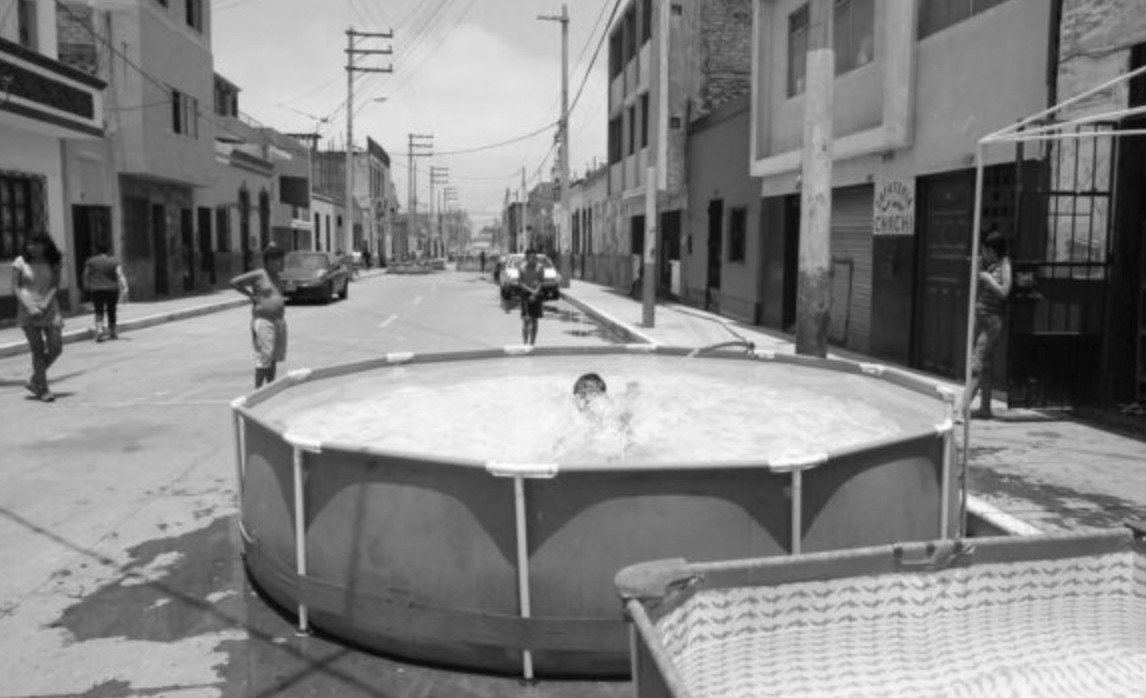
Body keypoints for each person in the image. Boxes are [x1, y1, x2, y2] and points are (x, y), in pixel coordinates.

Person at [963, 230, 1012, 419]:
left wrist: (988, 278)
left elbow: (1004, 291)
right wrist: (978, 268)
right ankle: (985, 408)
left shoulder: (1005, 264)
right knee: (986, 366)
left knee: (976, 364)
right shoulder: (992, 265)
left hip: (992, 322)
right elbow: (976, 281)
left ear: (993, 250)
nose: (983, 254)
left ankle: (961, 411)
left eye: (985, 250)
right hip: (983, 320)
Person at [13, 232, 64, 402]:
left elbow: (55, 286)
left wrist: (44, 305)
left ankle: (35, 379)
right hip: (27, 309)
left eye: (36, 244)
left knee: (56, 348)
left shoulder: (54, 262)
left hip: (50, 308)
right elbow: (15, 287)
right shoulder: (20, 262)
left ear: (46, 245)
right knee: (38, 350)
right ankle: (42, 388)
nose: (31, 248)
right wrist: (29, 306)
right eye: (29, 244)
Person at [230, 244, 288, 388]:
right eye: (279, 260)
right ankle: (257, 391)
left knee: (273, 358)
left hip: (278, 322)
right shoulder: (259, 274)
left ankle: (270, 389)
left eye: (283, 259)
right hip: (264, 321)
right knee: (264, 357)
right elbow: (235, 282)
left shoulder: (279, 278)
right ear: (269, 261)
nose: (282, 263)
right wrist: (251, 295)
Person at [83, 241, 129, 342]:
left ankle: (99, 329)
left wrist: (86, 287)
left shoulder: (90, 261)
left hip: (96, 289)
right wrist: (125, 287)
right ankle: (113, 331)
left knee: (98, 310)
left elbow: (86, 275)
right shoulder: (114, 261)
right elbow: (120, 274)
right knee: (111, 310)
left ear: (96, 250)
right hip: (112, 290)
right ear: (108, 251)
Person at [518, 248, 544, 345]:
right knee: (526, 319)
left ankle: (532, 343)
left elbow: (541, 281)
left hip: (536, 294)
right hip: (526, 294)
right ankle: (525, 343)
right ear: (526, 257)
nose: (532, 259)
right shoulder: (522, 267)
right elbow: (521, 283)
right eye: (530, 257)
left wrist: (535, 292)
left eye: (534, 257)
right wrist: (531, 291)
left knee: (534, 321)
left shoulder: (540, 267)